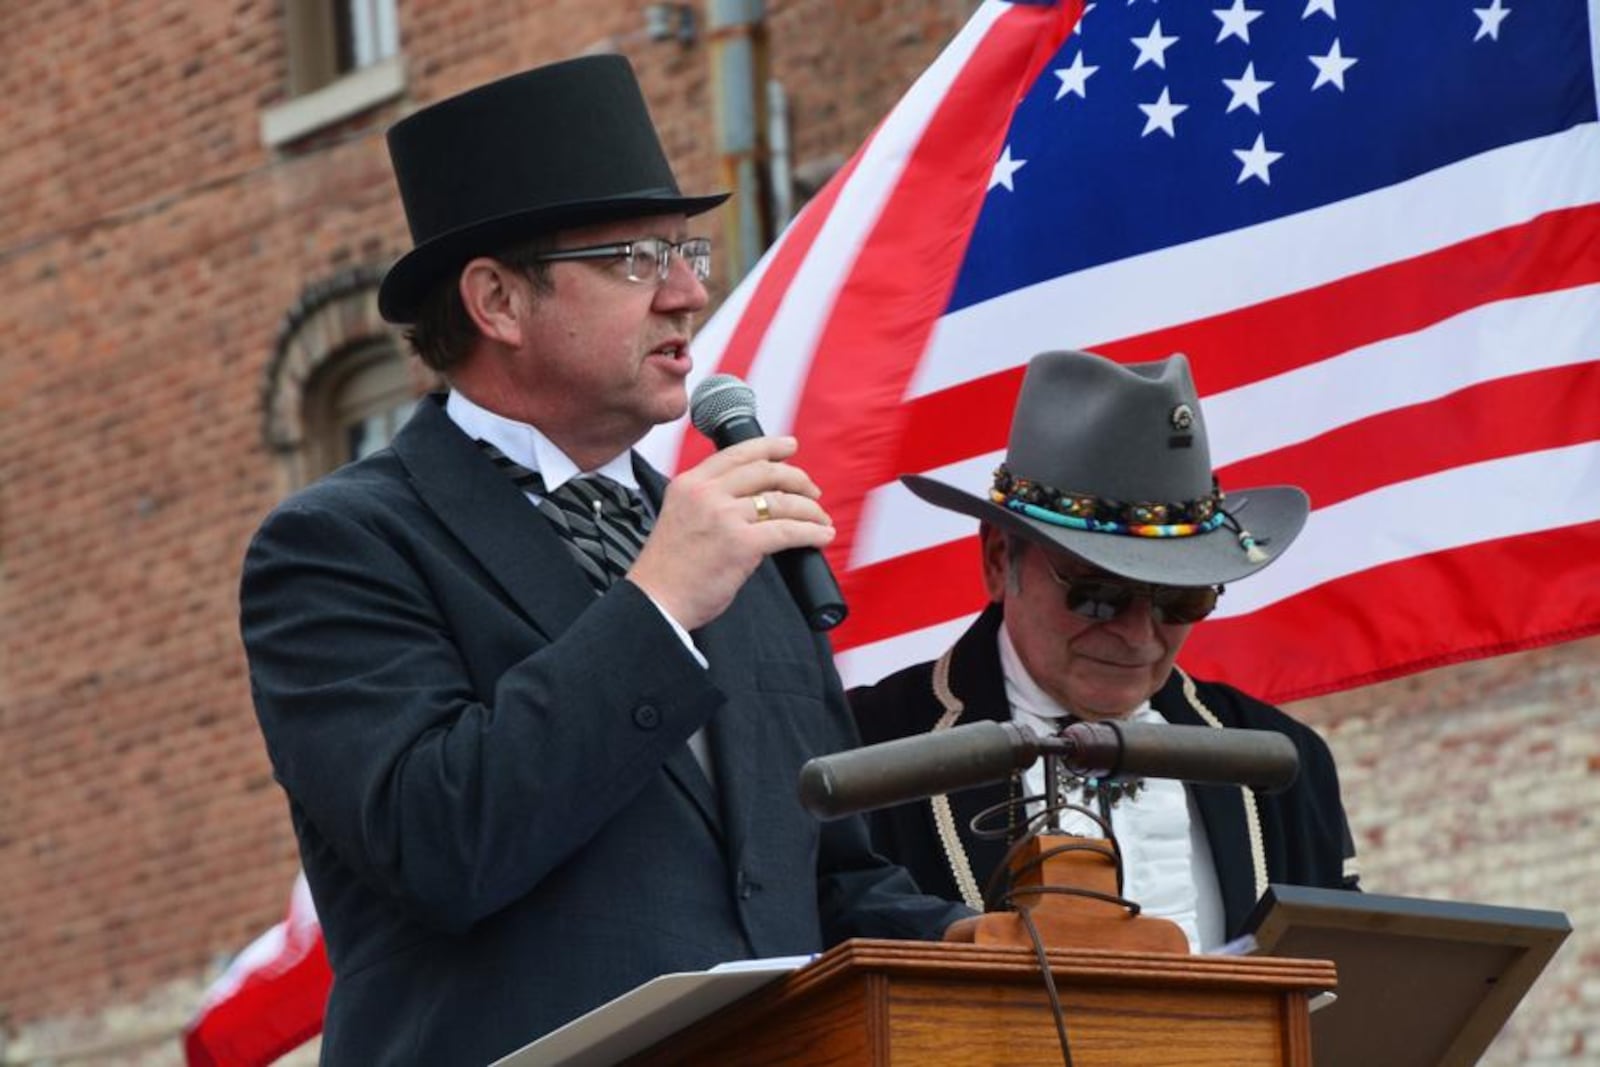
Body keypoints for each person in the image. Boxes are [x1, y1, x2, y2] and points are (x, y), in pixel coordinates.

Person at [239, 56, 968, 1066]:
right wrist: (659, 600)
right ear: (496, 299)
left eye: (687, 252)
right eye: (635, 259)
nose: (684, 295)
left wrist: (984, 952)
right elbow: (442, 839)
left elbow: (827, 871)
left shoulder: (718, 539)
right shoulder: (340, 545)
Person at [849, 349, 1359, 953]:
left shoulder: (1282, 761)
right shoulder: (867, 746)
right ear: (997, 561)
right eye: (1097, 595)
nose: (1139, 636)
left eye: (1181, 601)